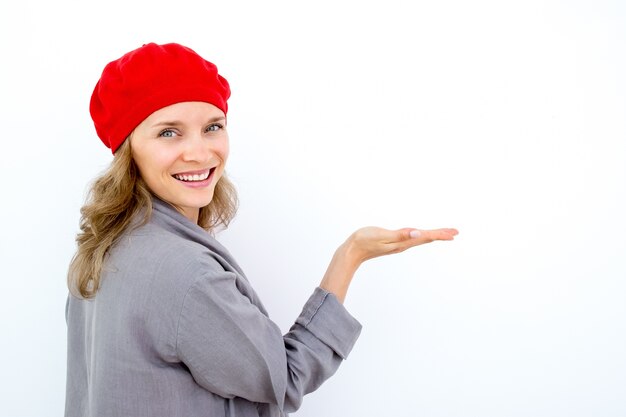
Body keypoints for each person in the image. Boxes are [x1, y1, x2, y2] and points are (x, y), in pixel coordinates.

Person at [65, 42, 459, 417]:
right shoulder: (186, 274)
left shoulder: (104, 248)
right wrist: (350, 255)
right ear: (128, 148)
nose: (200, 152)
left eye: (212, 126)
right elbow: (285, 379)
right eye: (169, 132)